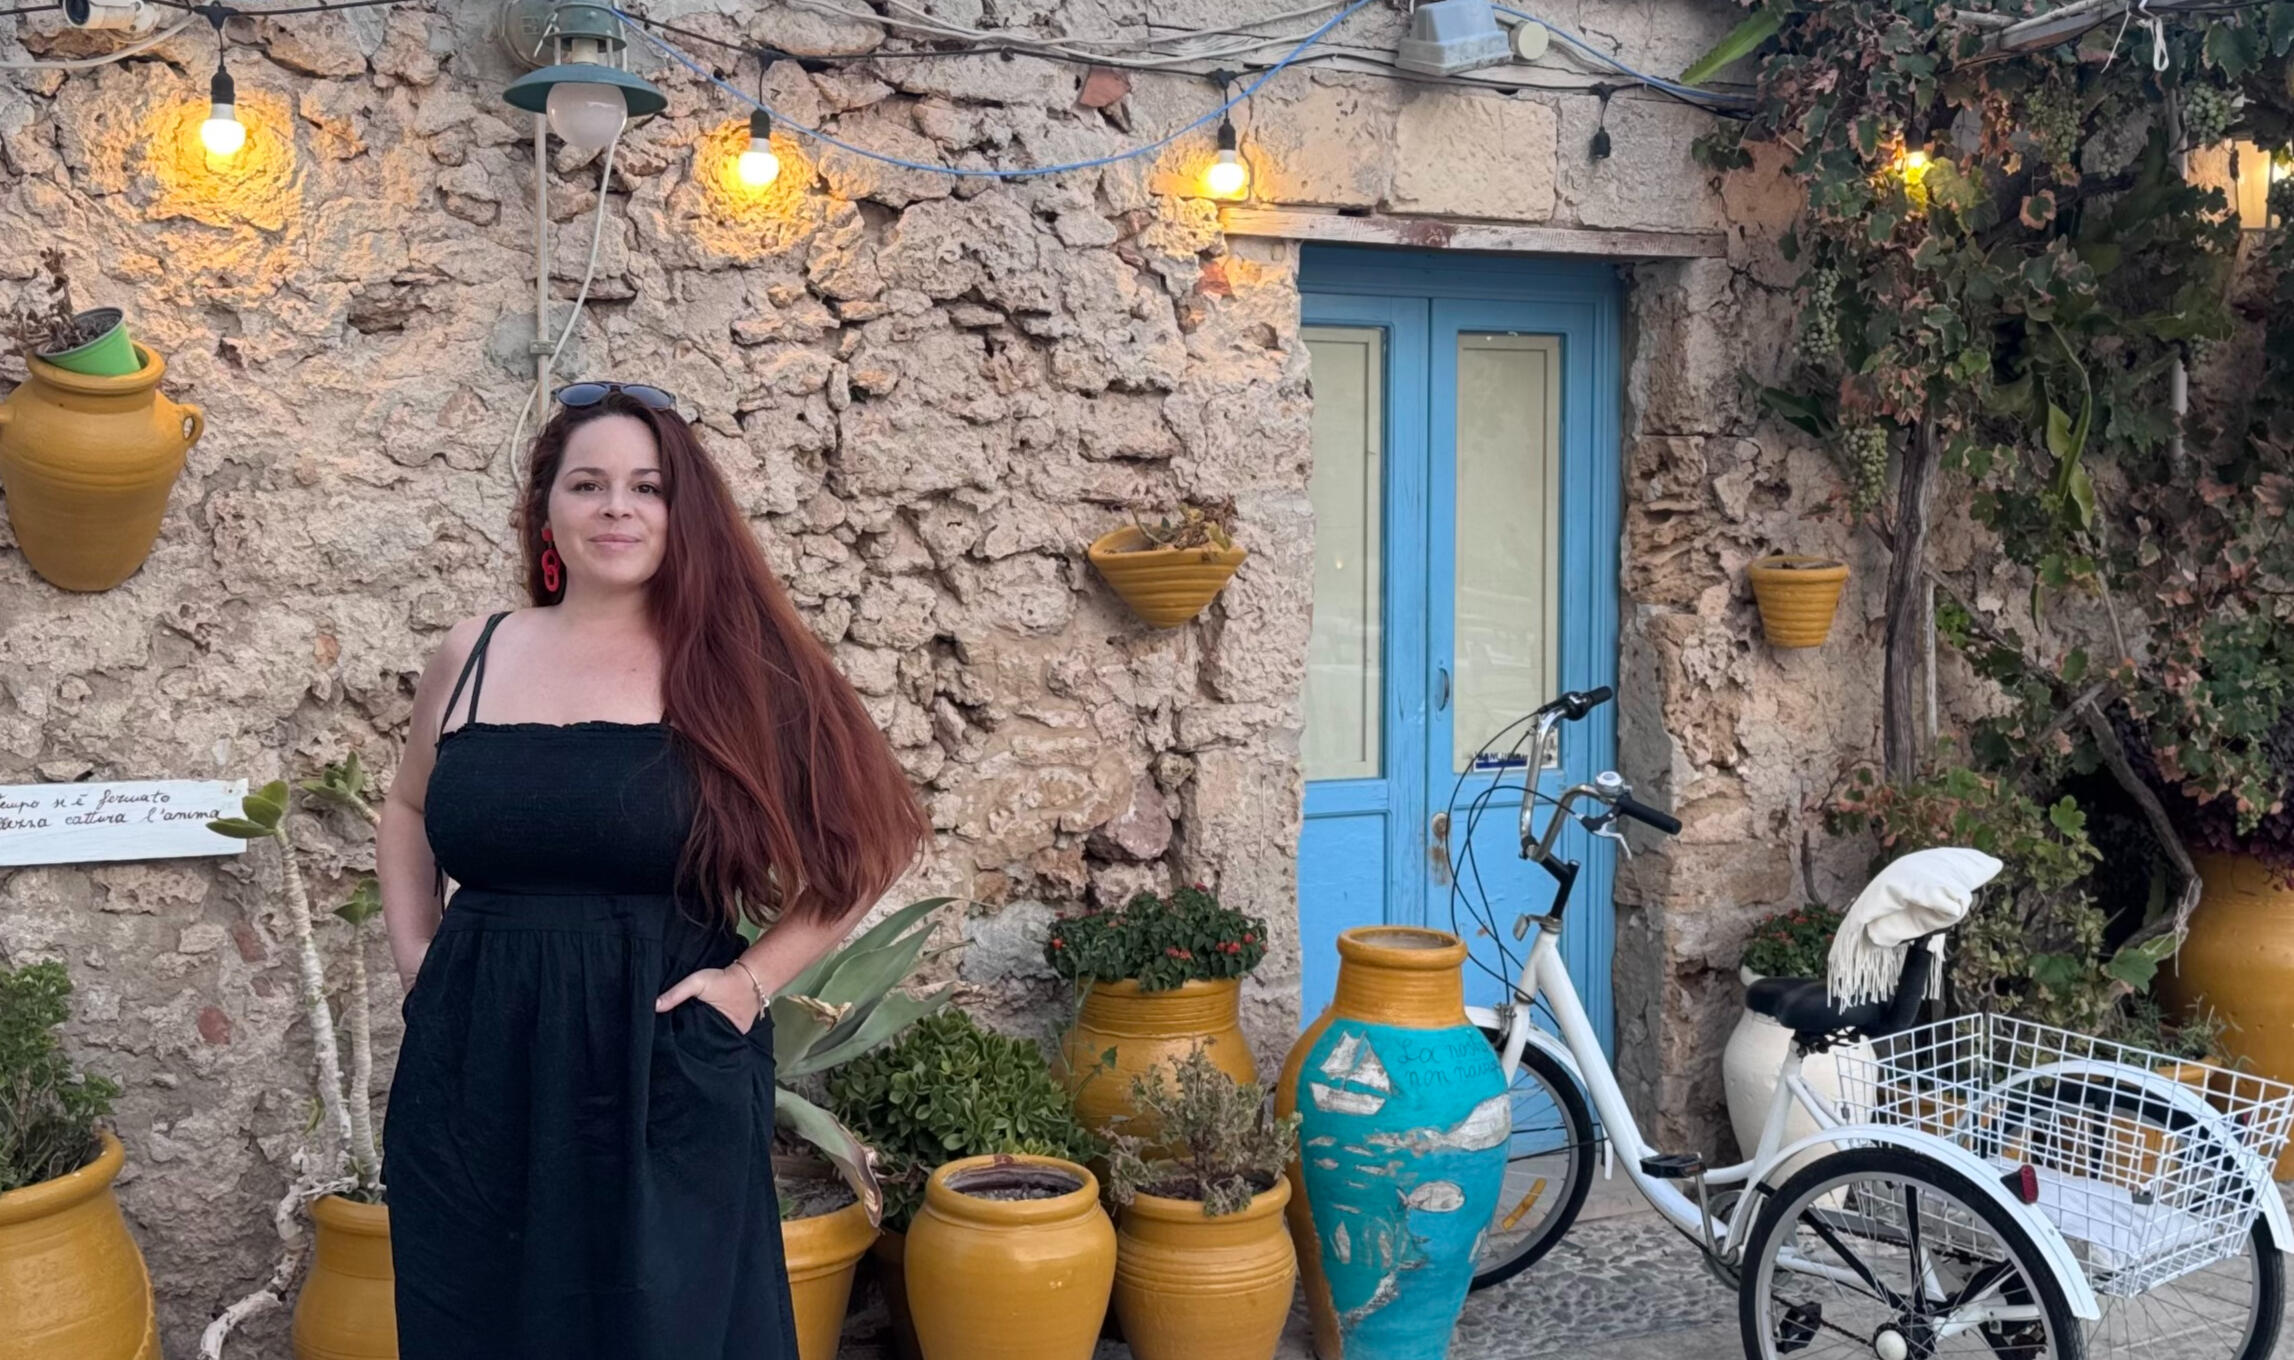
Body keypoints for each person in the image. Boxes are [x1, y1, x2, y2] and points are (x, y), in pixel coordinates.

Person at [376, 381, 930, 1359]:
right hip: (475, 1059)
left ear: (684, 512)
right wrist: (418, 956)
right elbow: (410, 806)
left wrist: (748, 985)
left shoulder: (736, 664)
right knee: (476, 1315)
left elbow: (871, 841)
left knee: (659, 1326)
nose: (616, 508)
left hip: (658, 1059)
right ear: (546, 508)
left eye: (647, 486)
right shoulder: (473, 653)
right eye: (587, 484)